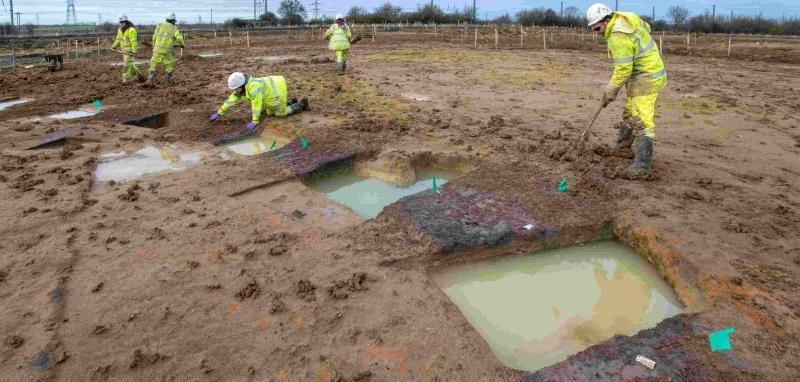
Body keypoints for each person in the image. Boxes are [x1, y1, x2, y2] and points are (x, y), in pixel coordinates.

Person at [587, 3, 667, 176]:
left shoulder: (617, 35)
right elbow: (647, 27)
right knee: (629, 113)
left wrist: (610, 91)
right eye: (593, 29)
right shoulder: (626, 17)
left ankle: (642, 166)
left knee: (641, 120)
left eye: (597, 28)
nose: (597, 33)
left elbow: (623, 69)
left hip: (647, 77)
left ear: (606, 21)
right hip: (645, 72)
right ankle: (623, 148)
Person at [209, 72, 309, 130]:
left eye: (236, 88)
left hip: (277, 92)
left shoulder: (253, 87)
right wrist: (219, 113)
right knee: (269, 112)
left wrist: (255, 121)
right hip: (272, 92)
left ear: (241, 85)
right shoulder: (243, 88)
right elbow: (230, 101)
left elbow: (256, 105)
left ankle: (301, 104)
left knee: (280, 113)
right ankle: (291, 102)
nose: (234, 91)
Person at [146, 12, 185, 87]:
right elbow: (179, 38)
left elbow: (154, 37)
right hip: (167, 51)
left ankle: (149, 80)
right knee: (169, 66)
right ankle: (168, 83)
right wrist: (182, 44)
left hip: (157, 49)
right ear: (173, 21)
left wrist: (154, 46)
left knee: (153, 64)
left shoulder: (159, 25)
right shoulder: (174, 28)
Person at [111, 15, 143, 84]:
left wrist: (134, 52)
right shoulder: (120, 30)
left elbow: (133, 42)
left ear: (126, 22)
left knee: (127, 65)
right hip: (124, 52)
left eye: (123, 22)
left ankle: (124, 80)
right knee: (131, 65)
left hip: (130, 52)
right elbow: (118, 39)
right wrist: (113, 46)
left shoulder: (131, 30)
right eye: (120, 22)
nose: (121, 23)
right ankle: (140, 75)